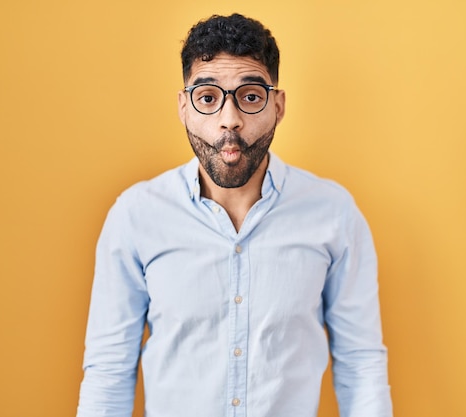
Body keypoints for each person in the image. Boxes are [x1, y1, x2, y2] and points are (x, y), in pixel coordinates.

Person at [77, 13, 392, 417]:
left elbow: (361, 362)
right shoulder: (136, 216)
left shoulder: (333, 214)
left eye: (250, 96)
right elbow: (108, 371)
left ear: (277, 106)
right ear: (183, 107)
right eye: (207, 97)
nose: (230, 120)